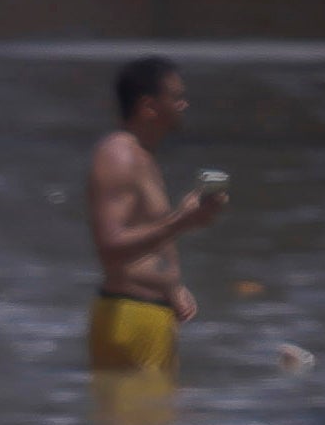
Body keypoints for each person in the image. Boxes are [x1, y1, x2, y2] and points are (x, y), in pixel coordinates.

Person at [86, 57, 228, 378]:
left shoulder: (141, 156)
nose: (184, 104)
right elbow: (109, 246)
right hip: (130, 317)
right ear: (149, 107)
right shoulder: (119, 155)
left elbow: (143, 241)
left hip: (149, 316)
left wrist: (170, 286)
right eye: (176, 97)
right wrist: (182, 221)